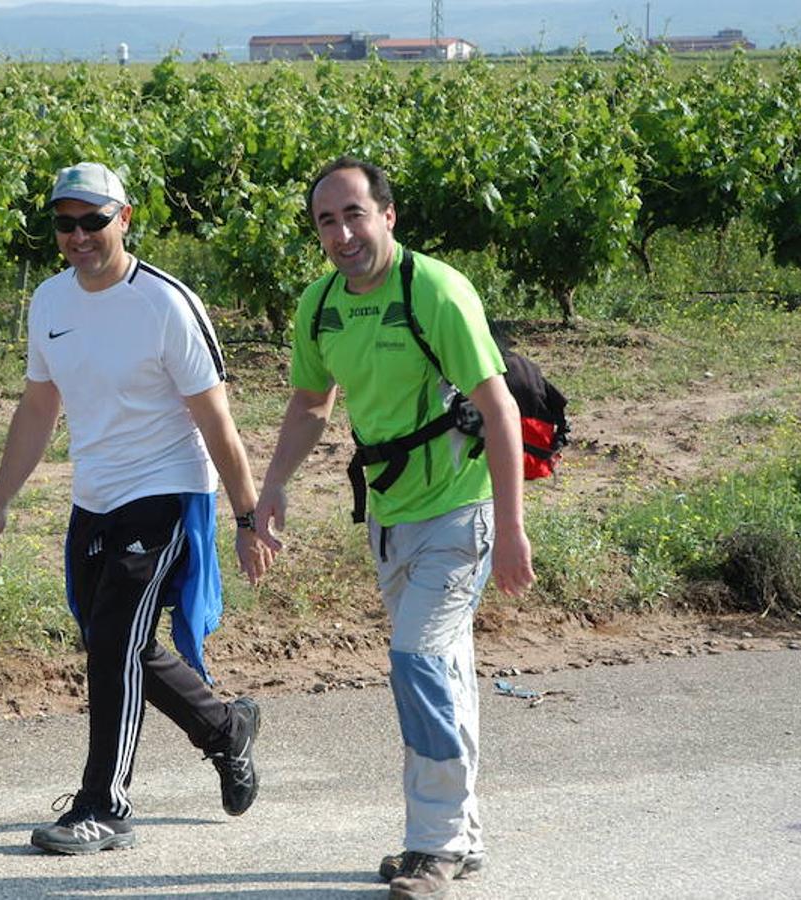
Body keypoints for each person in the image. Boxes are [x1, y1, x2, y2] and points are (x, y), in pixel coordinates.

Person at [0, 161, 274, 855]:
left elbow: (215, 420)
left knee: (113, 641)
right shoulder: (49, 301)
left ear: (125, 218)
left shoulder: (164, 304)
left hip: (165, 492)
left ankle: (103, 807)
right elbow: (38, 406)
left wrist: (247, 517)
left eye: (92, 221)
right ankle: (225, 728)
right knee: (115, 642)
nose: (77, 235)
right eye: (64, 222)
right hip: (95, 497)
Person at [253, 157, 535, 900]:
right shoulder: (319, 306)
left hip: (459, 512)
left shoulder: (434, 289)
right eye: (325, 220)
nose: (342, 233)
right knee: (442, 673)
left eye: (354, 214)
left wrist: (509, 528)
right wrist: (272, 485)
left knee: (416, 662)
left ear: (387, 215)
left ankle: (433, 845)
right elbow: (311, 405)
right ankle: (461, 837)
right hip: (388, 518)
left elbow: (497, 407)